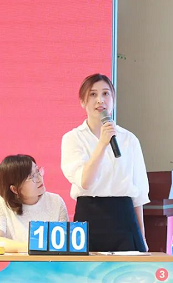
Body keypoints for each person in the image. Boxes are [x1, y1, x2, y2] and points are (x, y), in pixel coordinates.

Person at [61, 73, 150, 252]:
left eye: (106, 94)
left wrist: (142, 236)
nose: (100, 100)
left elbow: (138, 194)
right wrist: (102, 143)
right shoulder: (73, 138)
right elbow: (85, 181)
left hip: (124, 218)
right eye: (93, 94)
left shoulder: (129, 139)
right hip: (89, 216)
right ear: (82, 101)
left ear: (113, 100)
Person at [0, 154, 68, 252]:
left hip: (51, 261)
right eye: (31, 177)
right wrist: (29, 248)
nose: (39, 179)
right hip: (16, 261)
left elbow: (65, 243)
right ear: (14, 189)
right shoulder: (1, 202)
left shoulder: (55, 201)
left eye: (38, 171)